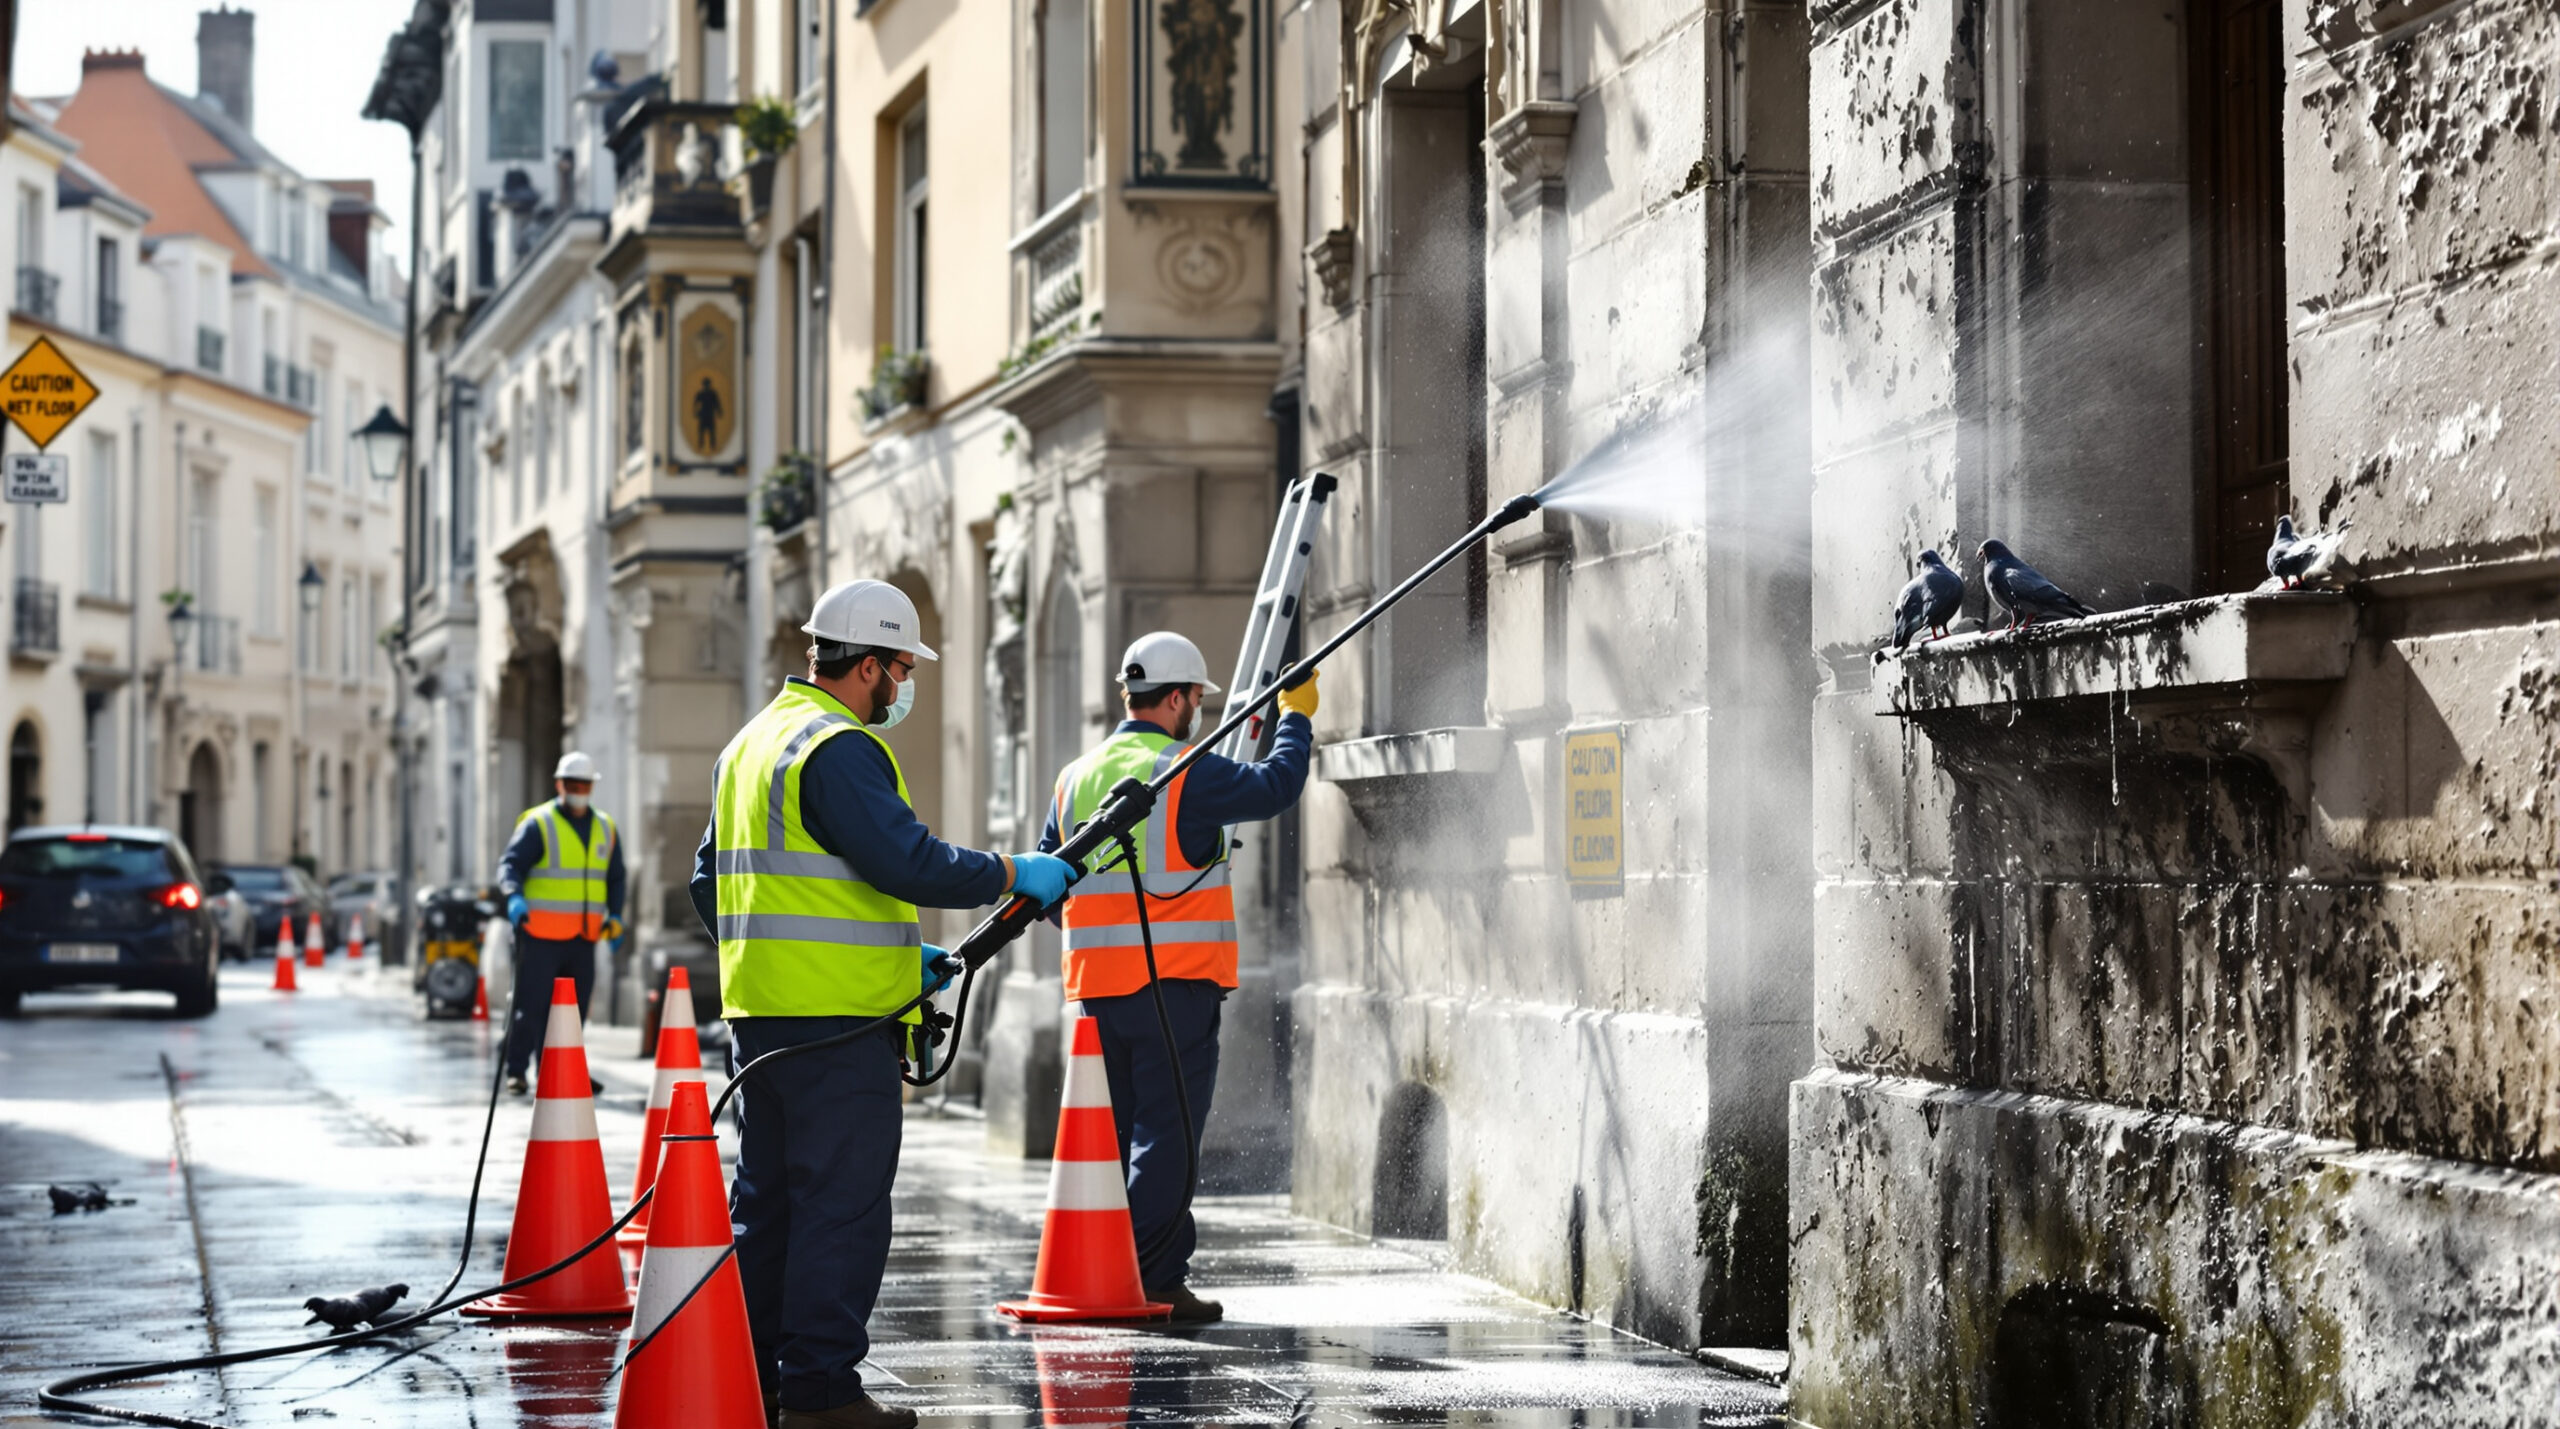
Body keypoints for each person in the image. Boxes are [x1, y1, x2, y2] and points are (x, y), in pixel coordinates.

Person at [691, 578, 1074, 1429]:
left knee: (769, 1203)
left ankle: (757, 1377)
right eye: (901, 669)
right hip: (838, 1027)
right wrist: (1017, 872)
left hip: (762, 1017)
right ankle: (823, 1392)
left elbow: (707, 881)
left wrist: (900, 955)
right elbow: (910, 862)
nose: (903, 688)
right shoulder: (836, 746)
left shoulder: (750, 745)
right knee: (841, 1204)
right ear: (866, 665)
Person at [1037, 630, 1317, 1323]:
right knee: (1169, 1136)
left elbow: (1047, 882)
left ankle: (1116, 1263)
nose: (1199, 706)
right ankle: (1153, 1276)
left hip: (1097, 989)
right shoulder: (1186, 767)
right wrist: (1298, 716)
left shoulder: (1076, 776)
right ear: (1178, 697)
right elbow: (1277, 785)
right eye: (1196, 696)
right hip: (1174, 987)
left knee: (1118, 1133)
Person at [496, 750, 624, 1096]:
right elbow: (510, 866)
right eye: (571, 783)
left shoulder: (604, 828)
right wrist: (513, 896)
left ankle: (563, 1070)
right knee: (530, 1006)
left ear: (591, 787)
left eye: (583, 784)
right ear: (559, 784)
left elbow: (615, 877)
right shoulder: (539, 824)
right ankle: (517, 1071)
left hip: (583, 937)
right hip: (539, 935)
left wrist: (615, 914)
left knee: (574, 1013)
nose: (577, 789)